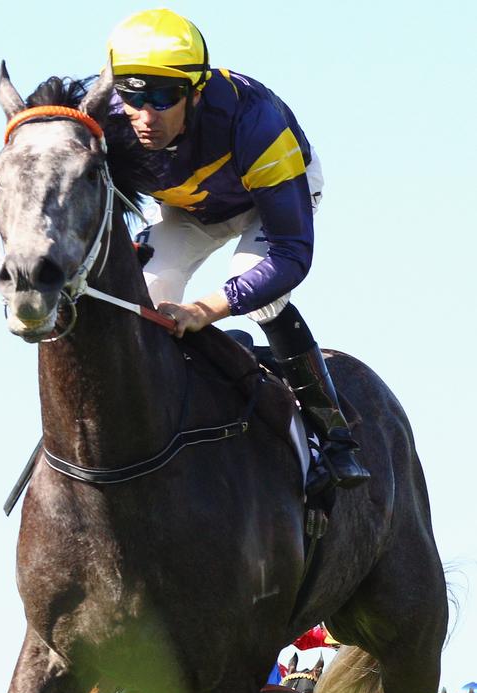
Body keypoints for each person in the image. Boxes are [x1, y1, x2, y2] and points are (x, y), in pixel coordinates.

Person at [107, 9, 370, 495]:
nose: (145, 117)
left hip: (267, 199)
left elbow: (292, 255)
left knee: (258, 284)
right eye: (133, 96)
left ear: (196, 90)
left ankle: (332, 434)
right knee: (141, 297)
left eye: (163, 98)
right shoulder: (106, 115)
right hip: (185, 206)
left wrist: (204, 309)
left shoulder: (256, 124)